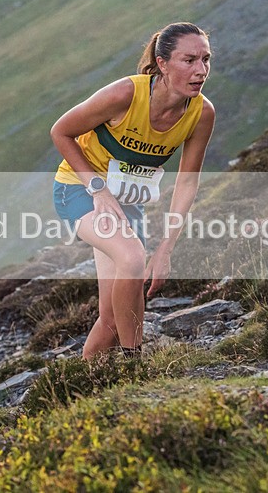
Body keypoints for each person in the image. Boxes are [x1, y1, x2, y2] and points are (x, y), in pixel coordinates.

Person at [51, 22, 215, 359]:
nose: (201, 70)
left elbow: (187, 181)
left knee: (113, 318)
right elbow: (61, 132)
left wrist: (166, 248)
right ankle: (135, 362)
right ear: (162, 63)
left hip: (126, 203)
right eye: (189, 60)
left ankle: (85, 379)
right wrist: (98, 188)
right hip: (80, 189)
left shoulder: (201, 114)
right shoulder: (124, 95)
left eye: (206, 59)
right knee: (133, 257)